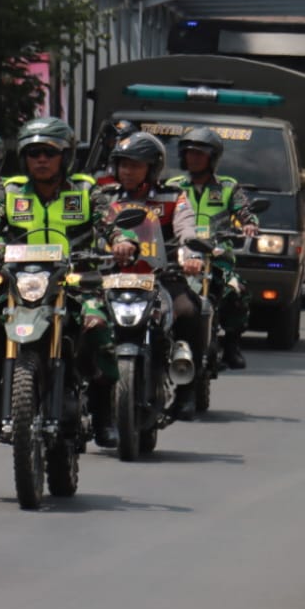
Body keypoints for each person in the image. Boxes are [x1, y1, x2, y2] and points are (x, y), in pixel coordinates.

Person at [0, 116, 136, 447]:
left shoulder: (85, 190)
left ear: (65, 157)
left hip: (78, 282)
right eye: (34, 153)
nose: (41, 160)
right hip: (20, 283)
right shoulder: (9, 191)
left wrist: (123, 241)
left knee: (99, 330)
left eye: (49, 153)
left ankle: (104, 416)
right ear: (24, 158)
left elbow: (111, 223)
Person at [96, 132, 203, 419]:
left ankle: (187, 389)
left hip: (160, 275)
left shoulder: (173, 197)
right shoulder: (104, 198)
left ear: (152, 168)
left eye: (136, 165)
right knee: (84, 319)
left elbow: (186, 228)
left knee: (190, 309)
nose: (127, 171)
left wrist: (192, 254)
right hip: (111, 275)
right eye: (123, 164)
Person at [163, 126, 259, 369]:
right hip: (181, 256)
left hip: (218, 257)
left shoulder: (227, 186)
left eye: (199, 154)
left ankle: (232, 345)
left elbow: (244, 211)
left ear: (212, 157)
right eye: (189, 153)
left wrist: (248, 224)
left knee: (236, 292)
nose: (193, 158)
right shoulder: (173, 186)